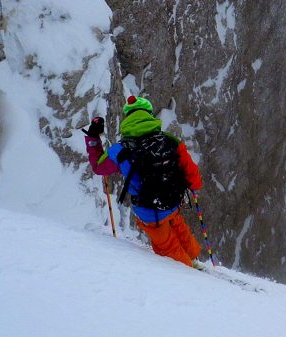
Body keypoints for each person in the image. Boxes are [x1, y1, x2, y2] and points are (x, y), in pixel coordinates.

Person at [84, 95, 204, 268]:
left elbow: (98, 167)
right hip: (173, 200)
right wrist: (193, 186)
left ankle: (188, 273)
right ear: (149, 115)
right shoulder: (169, 140)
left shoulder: (120, 150)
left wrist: (93, 137)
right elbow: (192, 174)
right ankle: (193, 257)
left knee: (167, 247)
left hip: (149, 211)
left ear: (127, 118)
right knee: (177, 224)